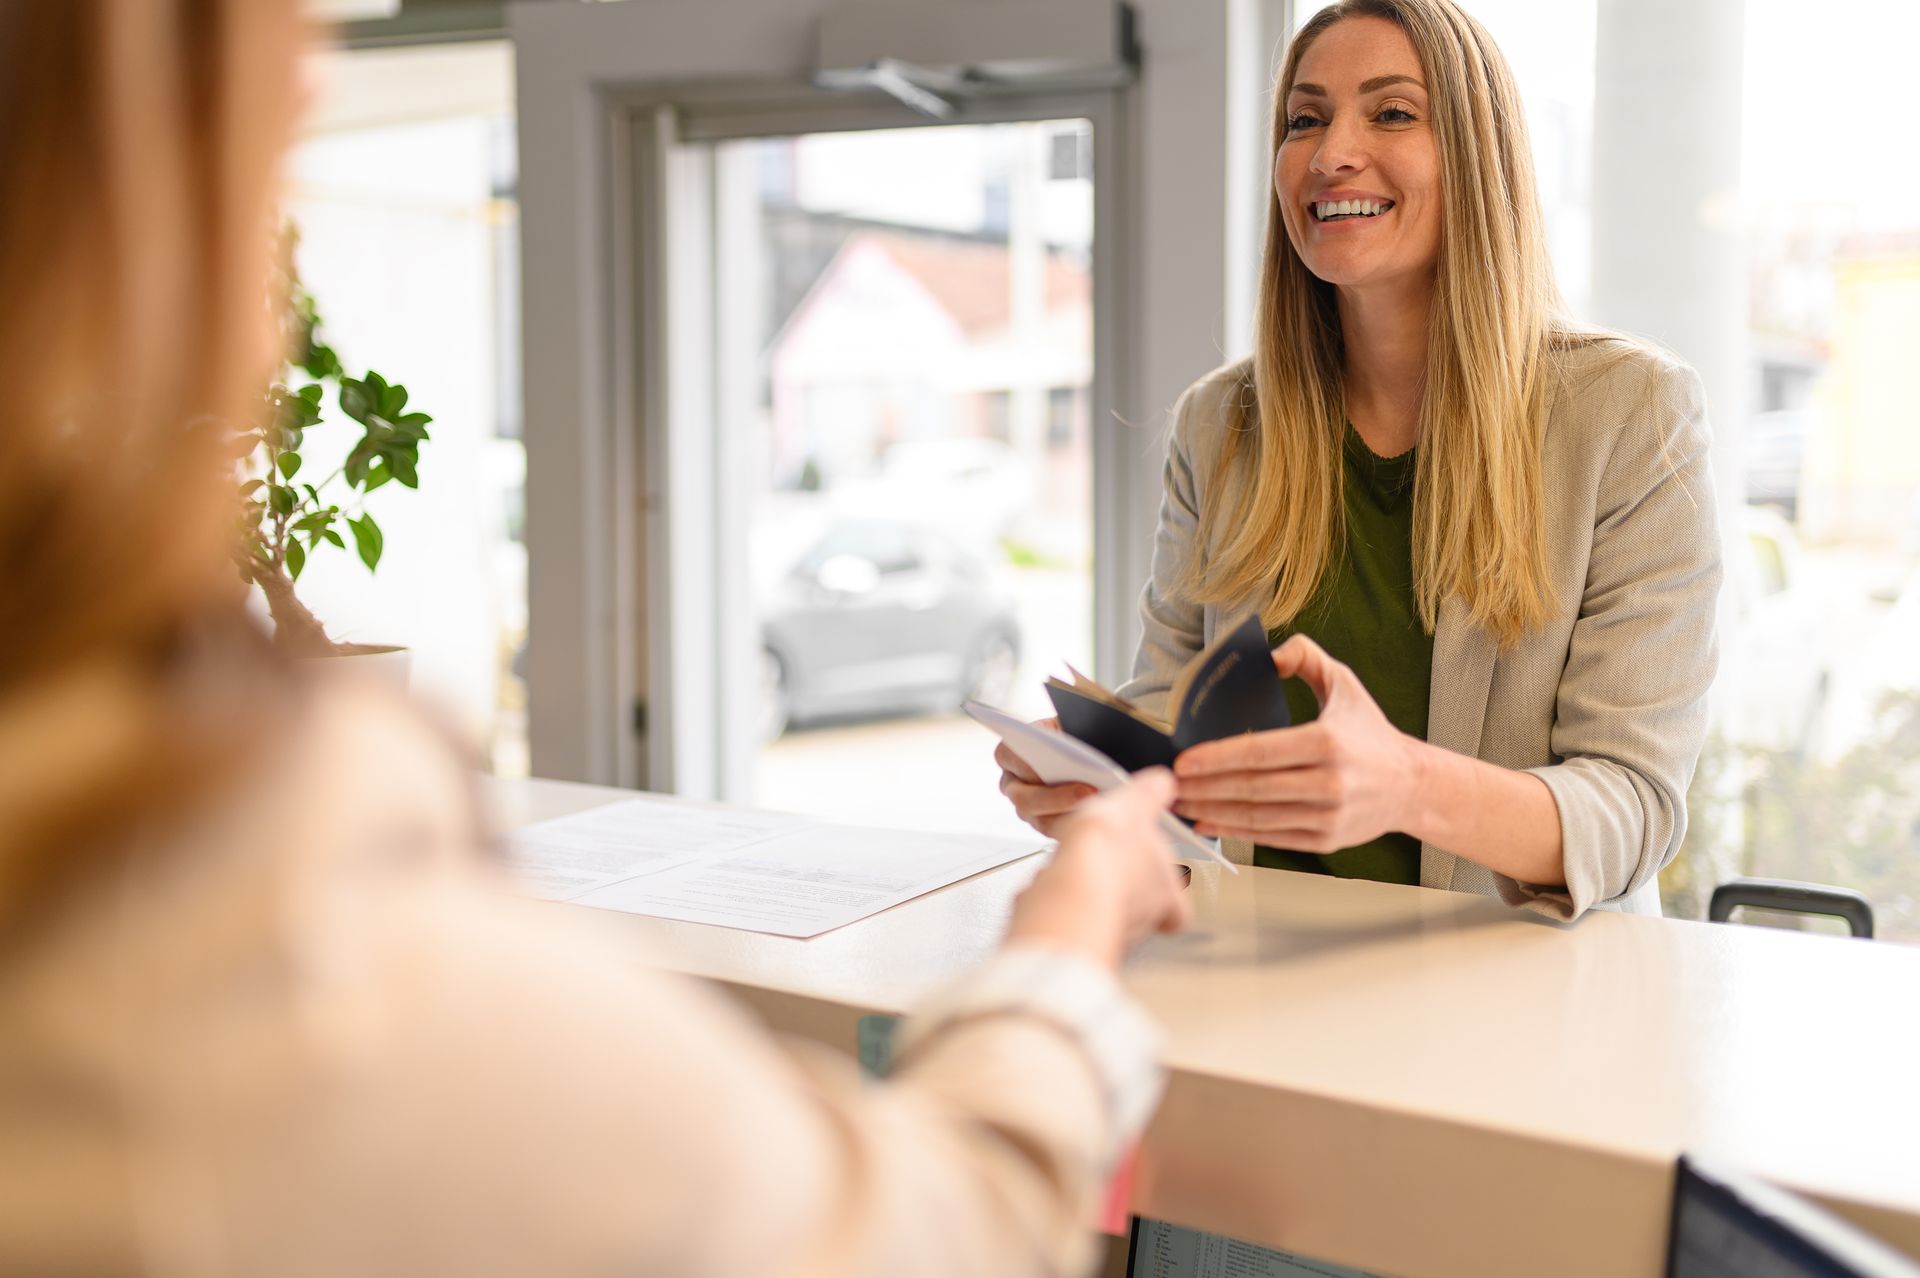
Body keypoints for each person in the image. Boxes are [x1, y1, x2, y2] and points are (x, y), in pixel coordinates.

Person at [0, 3, 1190, 1275]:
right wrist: (1073, 923)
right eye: (246, 74)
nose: (310, 76)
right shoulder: (249, 965)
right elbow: (941, 1236)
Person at [1000, 0, 1720, 921]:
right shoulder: (1220, 424)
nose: (1331, 151)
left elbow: (1633, 806)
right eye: (1305, 118)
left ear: (1475, 155)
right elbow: (1174, 727)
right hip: (1276, 986)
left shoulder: (1632, 414)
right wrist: (1110, 789)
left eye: (1391, 113)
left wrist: (1407, 786)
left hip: (1522, 1006)